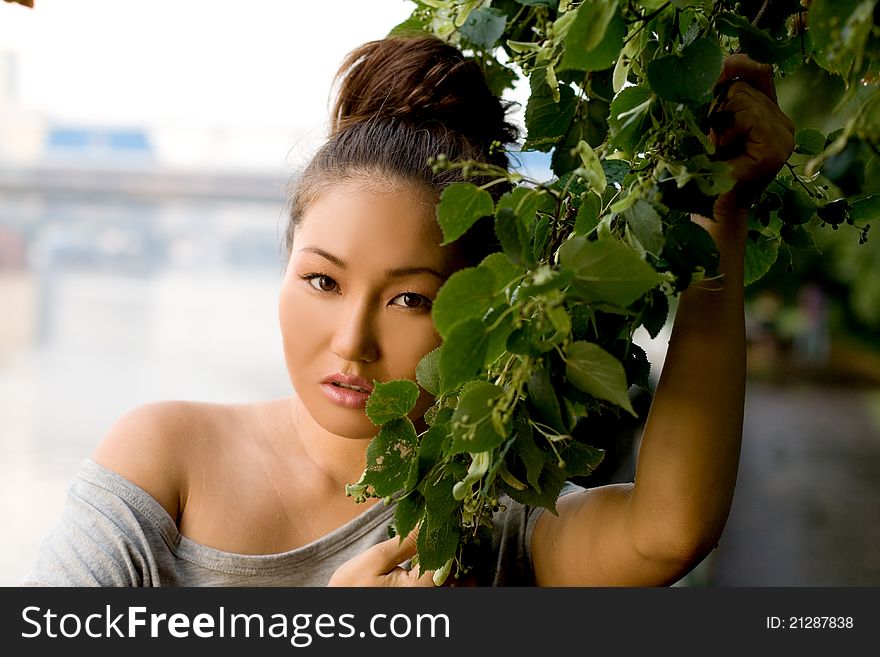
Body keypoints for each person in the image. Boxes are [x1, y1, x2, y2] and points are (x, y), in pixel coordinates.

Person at [22, 35, 794, 587]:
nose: (352, 342)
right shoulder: (168, 456)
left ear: (477, 307)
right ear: (285, 266)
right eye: (322, 282)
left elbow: (669, 531)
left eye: (408, 298)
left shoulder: (482, 514)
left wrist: (718, 211)